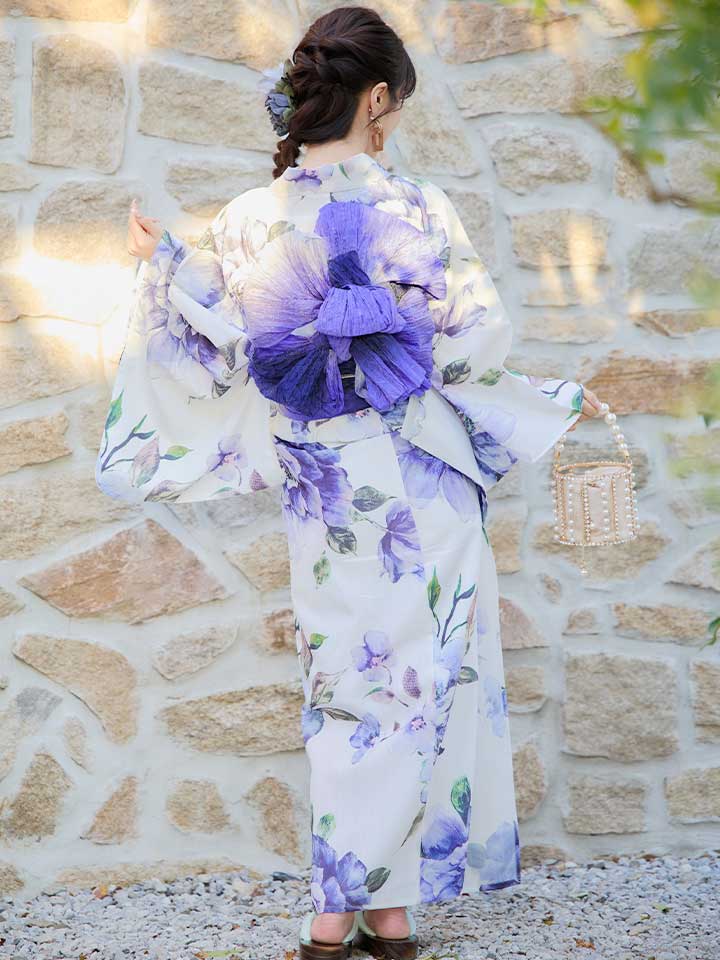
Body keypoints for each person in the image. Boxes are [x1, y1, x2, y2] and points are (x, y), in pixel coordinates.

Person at [100, 6, 602, 957]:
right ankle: (367, 913)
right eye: (397, 102)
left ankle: (365, 911)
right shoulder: (420, 207)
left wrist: (165, 266)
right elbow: (476, 344)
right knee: (427, 680)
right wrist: (535, 400)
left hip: (327, 484)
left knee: (350, 685)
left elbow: (228, 348)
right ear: (375, 97)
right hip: (425, 473)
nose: (395, 119)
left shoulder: (250, 218)